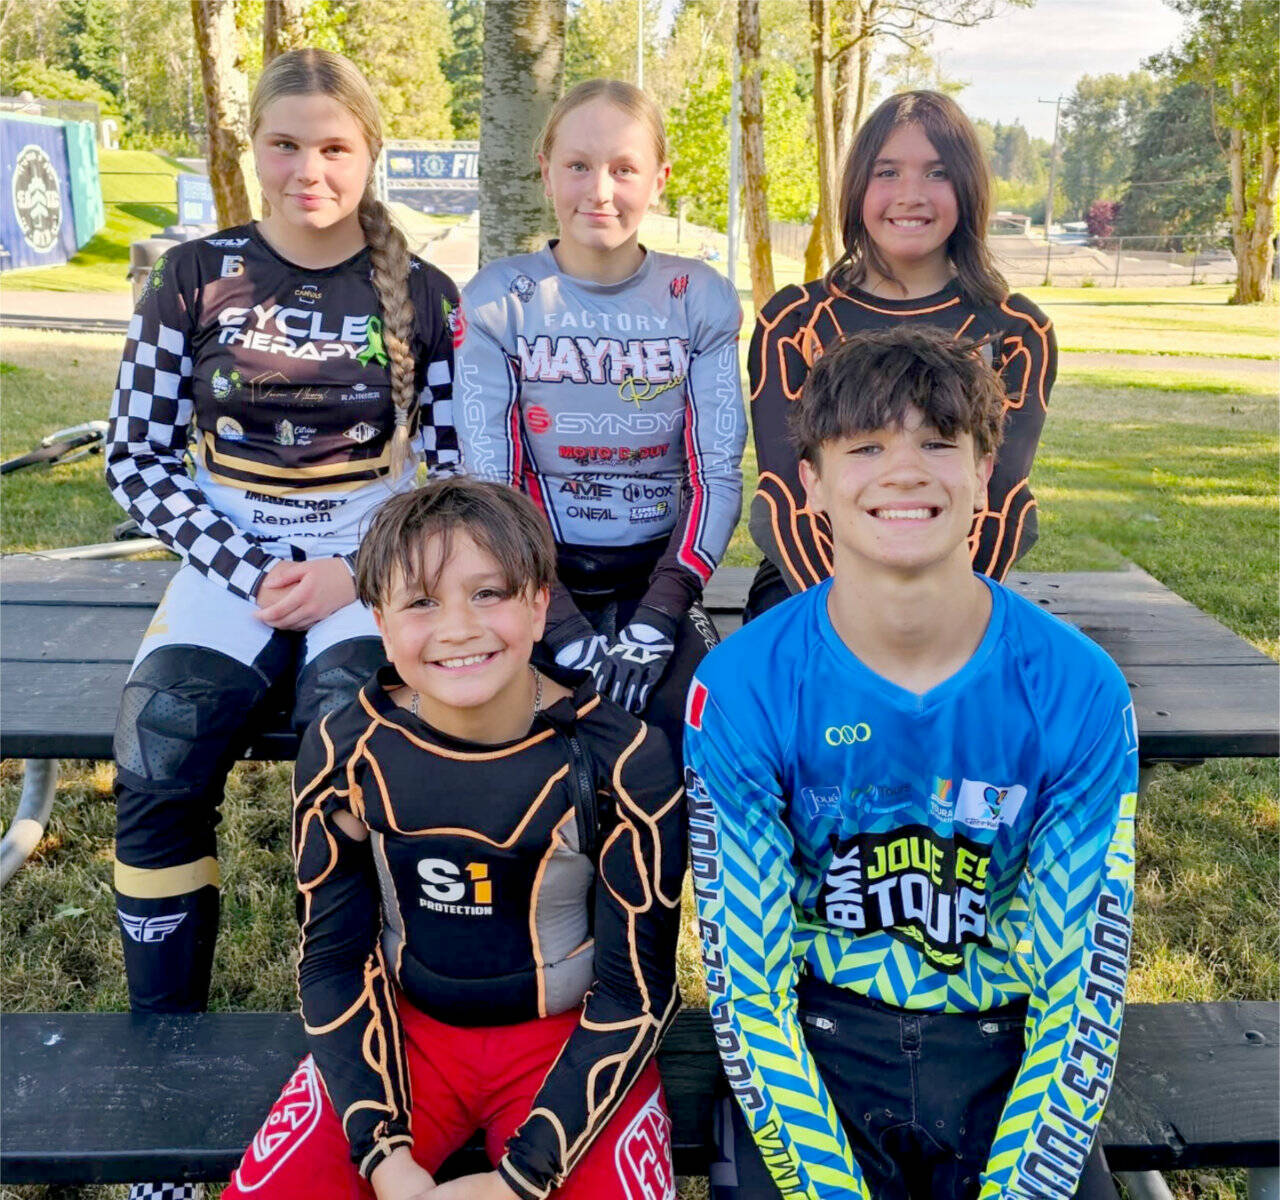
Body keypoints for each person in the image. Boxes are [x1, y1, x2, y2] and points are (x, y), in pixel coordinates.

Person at [686, 326, 1136, 1200]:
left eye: (938, 443)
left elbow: (1083, 977)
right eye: (865, 447)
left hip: (1002, 1045)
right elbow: (748, 980)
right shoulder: (741, 685)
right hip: (819, 1042)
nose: (903, 472)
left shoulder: (1077, 687)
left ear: (984, 472)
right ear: (811, 481)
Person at [105, 48, 460, 1023]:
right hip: (232, 561)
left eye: (334, 147)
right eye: (284, 145)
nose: (309, 170)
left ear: (371, 152)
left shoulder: (427, 294)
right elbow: (133, 458)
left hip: (370, 567)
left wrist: (357, 571)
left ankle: (346, 1033)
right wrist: (252, 567)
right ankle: (162, 1051)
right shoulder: (190, 275)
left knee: (351, 744)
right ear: (251, 148)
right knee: (157, 742)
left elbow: (457, 475)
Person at [224, 478, 686, 1200]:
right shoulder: (347, 748)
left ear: (540, 604)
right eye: (421, 603)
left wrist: (519, 1180)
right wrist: (384, 1156)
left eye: (488, 593)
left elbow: (638, 993)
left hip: (571, 1043)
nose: (459, 628)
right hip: (405, 1037)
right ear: (379, 620)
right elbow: (333, 960)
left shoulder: (622, 758)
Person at [454, 78, 746, 755]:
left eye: (624, 169)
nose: (600, 190)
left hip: (657, 574)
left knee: (697, 734)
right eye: (579, 166)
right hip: (530, 575)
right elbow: (492, 486)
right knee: (519, 745)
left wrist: (660, 616)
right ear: (546, 172)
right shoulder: (500, 298)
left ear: (659, 180)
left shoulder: (698, 295)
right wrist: (558, 624)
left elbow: (716, 477)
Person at [746, 90, 1056, 619]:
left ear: (968, 188)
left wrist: (932, 617)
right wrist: (854, 618)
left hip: (953, 587)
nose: (910, 195)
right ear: (857, 188)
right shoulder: (795, 321)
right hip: (809, 585)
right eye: (887, 172)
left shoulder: (1015, 329)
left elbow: (999, 497)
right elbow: (787, 494)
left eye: (937, 173)